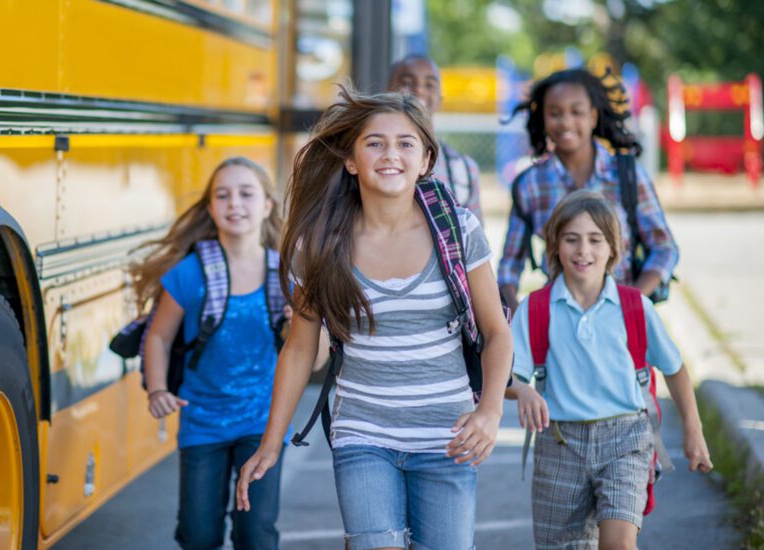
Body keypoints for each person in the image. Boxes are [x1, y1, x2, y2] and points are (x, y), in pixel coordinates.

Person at [236, 86, 513, 550]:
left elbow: (496, 332)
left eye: (406, 143)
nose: (391, 154)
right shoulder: (320, 243)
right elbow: (300, 349)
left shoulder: (458, 231)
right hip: (363, 435)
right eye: (375, 143)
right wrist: (271, 443)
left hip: (448, 436)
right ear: (351, 160)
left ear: (425, 160)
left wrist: (490, 412)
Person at [506, 190, 712, 549]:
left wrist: (694, 432)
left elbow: (675, 369)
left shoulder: (635, 307)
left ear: (614, 248)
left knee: (618, 543)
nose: (583, 250)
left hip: (626, 439)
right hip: (560, 444)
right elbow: (506, 375)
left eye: (595, 240)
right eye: (571, 239)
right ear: (554, 246)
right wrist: (522, 389)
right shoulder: (536, 309)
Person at [136, 157, 287, 550]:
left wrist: (298, 322)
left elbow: (311, 355)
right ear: (210, 208)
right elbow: (159, 337)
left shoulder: (286, 275)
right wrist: (157, 389)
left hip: (263, 423)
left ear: (267, 205)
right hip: (202, 422)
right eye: (222, 195)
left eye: (246, 193)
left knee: (256, 534)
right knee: (199, 534)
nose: (234, 203)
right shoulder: (191, 273)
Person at [498, 68, 679, 312]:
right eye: (555, 113)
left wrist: (630, 304)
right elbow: (509, 267)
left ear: (593, 116)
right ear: (543, 118)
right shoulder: (530, 184)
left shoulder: (628, 176)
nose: (566, 122)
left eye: (577, 112)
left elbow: (664, 248)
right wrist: (517, 314)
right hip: (558, 321)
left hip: (622, 321)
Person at [389, 55, 484, 224]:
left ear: (440, 98)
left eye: (429, 84)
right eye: (407, 82)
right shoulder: (370, 161)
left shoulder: (463, 170)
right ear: (387, 91)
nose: (419, 89)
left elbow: (474, 236)